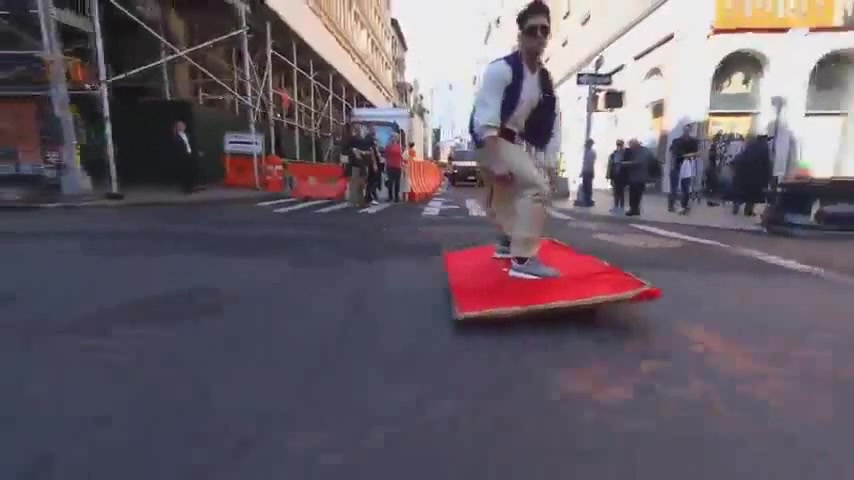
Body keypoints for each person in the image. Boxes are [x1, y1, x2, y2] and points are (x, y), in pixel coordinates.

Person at [469, 0, 561, 279]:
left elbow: (549, 122)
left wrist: (549, 163)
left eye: (545, 30)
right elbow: (484, 119)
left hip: (511, 141)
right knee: (536, 189)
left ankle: (507, 244)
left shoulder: (543, 79)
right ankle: (523, 259)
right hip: (490, 140)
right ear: (520, 36)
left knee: (507, 199)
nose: (539, 36)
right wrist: (495, 159)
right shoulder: (501, 70)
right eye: (533, 30)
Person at [731, 134, 772, 216]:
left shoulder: (751, 145)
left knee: (741, 190)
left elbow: (742, 155)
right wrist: (767, 177)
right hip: (756, 174)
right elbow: (766, 163)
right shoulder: (765, 147)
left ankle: (737, 203)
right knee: (753, 193)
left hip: (744, 171)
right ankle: (748, 210)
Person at [622, 138, 656, 216]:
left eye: (631, 145)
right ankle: (635, 209)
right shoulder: (638, 151)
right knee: (634, 194)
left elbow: (639, 162)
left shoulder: (642, 151)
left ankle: (634, 209)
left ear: (635, 144)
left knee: (636, 194)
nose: (630, 147)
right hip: (636, 177)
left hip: (639, 177)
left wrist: (627, 163)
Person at [667, 125, 699, 211]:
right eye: (685, 130)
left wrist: (688, 155)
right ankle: (671, 205)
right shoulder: (676, 141)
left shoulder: (693, 142)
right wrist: (689, 155)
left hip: (687, 165)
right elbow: (675, 153)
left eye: (688, 130)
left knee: (685, 187)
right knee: (674, 187)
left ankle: (684, 205)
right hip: (677, 165)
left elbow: (696, 154)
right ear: (683, 130)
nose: (686, 132)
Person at [345, 123, 370, 207]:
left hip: (361, 164)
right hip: (354, 164)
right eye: (357, 128)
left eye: (359, 128)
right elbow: (346, 150)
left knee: (361, 183)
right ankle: (355, 201)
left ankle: (360, 201)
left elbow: (367, 150)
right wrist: (354, 150)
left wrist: (363, 152)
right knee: (355, 183)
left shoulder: (362, 140)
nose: (359, 130)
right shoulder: (352, 139)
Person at [170, 120, 195, 194]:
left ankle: (190, 187)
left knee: (190, 171)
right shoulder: (176, 136)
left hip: (189, 154)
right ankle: (186, 188)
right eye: (180, 126)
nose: (182, 127)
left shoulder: (187, 135)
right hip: (182, 156)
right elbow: (177, 146)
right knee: (185, 172)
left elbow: (191, 144)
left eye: (183, 126)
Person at [605, 139, 626, 213]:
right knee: (616, 192)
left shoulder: (625, 154)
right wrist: (608, 175)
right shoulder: (613, 154)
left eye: (620, 145)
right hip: (615, 175)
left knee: (621, 192)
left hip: (622, 175)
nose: (619, 146)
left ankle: (621, 207)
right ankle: (616, 206)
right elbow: (610, 165)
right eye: (618, 145)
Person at [384, 133, 405, 202]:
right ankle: (390, 196)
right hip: (390, 166)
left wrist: (402, 163)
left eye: (395, 137)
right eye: (392, 137)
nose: (394, 138)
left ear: (397, 138)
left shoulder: (399, 146)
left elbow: (401, 156)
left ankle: (396, 197)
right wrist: (385, 166)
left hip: (398, 166)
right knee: (390, 182)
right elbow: (386, 156)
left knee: (397, 182)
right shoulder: (388, 146)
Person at [578, 138, 596, 206]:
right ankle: (587, 200)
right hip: (587, 171)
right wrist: (582, 172)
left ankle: (588, 200)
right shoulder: (588, 151)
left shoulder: (591, 152)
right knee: (586, 186)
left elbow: (590, 163)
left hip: (588, 171)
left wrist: (584, 171)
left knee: (588, 186)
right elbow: (585, 163)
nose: (585, 145)